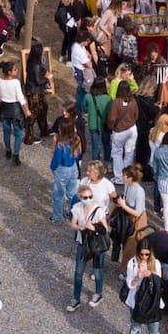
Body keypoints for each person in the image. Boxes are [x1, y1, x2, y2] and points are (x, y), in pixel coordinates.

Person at [67, 181, 109, 312]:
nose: (88, 199)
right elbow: (72, 223)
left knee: (97, 271)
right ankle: (76, 298)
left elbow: (105, 228)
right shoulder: (77, 208)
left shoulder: (98, 210)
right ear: (80, 197)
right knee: (78, 272)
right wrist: (80, 227)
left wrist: (93, 228)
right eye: (85, 197)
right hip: (83, 243)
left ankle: (98, 293)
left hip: (96, 245)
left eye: (90, 196)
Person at [125, 238, 164, 334]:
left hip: (152, 300)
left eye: (147, 254)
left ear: (151, 253)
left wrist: (150, 274)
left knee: (154, 330)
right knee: (135, 326)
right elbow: (130, 285)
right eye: (141, 254)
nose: (144, 257)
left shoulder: (156, 263)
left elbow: (159, 283)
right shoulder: (132, 263)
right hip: (137, 299)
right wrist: (137, 277)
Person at [0, 60, 31, 165]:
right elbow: (21, 98)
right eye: (15, 69)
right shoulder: (15, 82)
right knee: (18, 133)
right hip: (15, 109)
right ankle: (15, 155)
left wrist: (1, 104)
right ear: (9, 72)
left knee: (6, 131)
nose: (17, 70)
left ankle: (8, 151)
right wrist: (27, 111)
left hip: (4, 108)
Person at [50, 120, 83, 224]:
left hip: (63, 169)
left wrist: (52, 167)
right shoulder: (76, 139)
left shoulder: (61, 145)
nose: (58, 130)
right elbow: (79, 154)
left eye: (60, 129)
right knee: (72, 193)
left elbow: (56, 160)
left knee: (58, 194)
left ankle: (57, 218)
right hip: (73, 167)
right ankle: (71, 214)